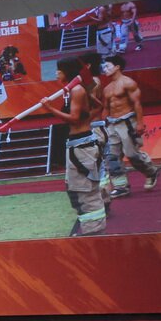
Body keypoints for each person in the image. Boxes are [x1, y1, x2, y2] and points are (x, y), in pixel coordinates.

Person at [38, 56, 108, 235]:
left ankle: (94, 232)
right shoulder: (72, 90)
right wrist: (87, 116)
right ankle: (89, 229)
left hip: (83, 147)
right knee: (74, 190)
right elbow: (97, 107)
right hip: (76, 145)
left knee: (85, 191)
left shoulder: (77, 90)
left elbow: (76, 118)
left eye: (59, 70)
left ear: (67, 72)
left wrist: (49, 109)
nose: (56, 73)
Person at [99, 55, 161, 197]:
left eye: (107, 66)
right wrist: (104, 125)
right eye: (104, 67)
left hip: (127, 122)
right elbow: (106, 108)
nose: (105, 69)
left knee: (132, 154)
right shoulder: (107, 88)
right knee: (112, 156)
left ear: (117, 67)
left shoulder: (128, 83)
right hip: (112, 124)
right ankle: (121, 187)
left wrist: (140, 123)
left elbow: (137, 104)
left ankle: (151, 171)